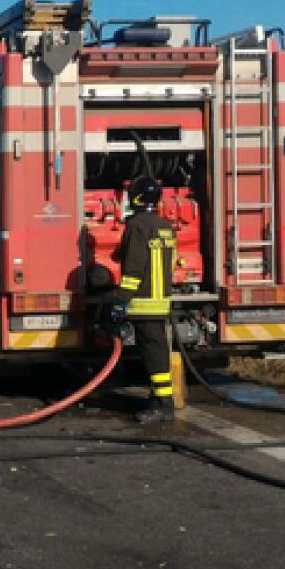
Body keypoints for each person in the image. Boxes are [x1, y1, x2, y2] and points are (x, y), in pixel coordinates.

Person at [105, 177, 178, 425]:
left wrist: (119, 302)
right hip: (160, 301)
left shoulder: (136, 226)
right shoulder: (165, 225)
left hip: (144, 302)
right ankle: (162, 401)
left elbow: (134, 269)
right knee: (158, 351)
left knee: (153, 355)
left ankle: (163, 406)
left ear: (135, 198)